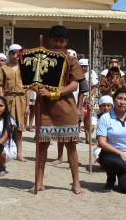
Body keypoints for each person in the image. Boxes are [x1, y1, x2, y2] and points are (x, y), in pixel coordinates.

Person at [31, 25, 85, 194]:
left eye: (61, 41)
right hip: (45, 108)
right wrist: (37, 89)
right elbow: (30, 80)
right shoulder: (40, 58)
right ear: (49, 40)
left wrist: (52, 93)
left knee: (71, 145)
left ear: (66, 42)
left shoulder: (71, 60)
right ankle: (39, 182)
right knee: (42, 146)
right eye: (55, 40)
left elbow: (74, 85)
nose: (58, 43)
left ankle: (76, 182)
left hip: (66, 107)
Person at [0, 44, 30, 162]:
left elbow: (28, 88)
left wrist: (28, 105)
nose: (15, 55)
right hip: (8, 99)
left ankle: (19, 153)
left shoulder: (24, 67)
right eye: (12, 53)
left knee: (19, 128)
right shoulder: (4, 68)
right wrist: (1, 100)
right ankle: (6, 151)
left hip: (20, 99)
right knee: (7, 126)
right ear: (9, 54)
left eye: (17, 53)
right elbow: (0, 85)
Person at [92, 95, 114, 164]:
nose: (106, 108)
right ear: (100, 107)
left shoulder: (117, 117)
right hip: (101, 146)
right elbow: (89, 129)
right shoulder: (96, 117)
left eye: (108, 105)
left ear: (112, 106)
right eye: (103, 106)